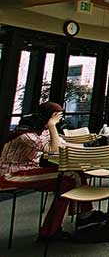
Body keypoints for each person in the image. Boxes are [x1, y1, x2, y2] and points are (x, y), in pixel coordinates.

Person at [0, 102, 103, 240]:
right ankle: (54, 229)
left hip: (30, 170)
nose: (60, 120)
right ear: (50, 117)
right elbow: (53, 149)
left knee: (73, 173)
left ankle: (83, 215)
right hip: (10, 175)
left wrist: (88, 147)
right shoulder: (25, 134)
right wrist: (52, 125)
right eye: (58, 117)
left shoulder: (42, 131)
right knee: (67, 179)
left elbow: (61, 144)